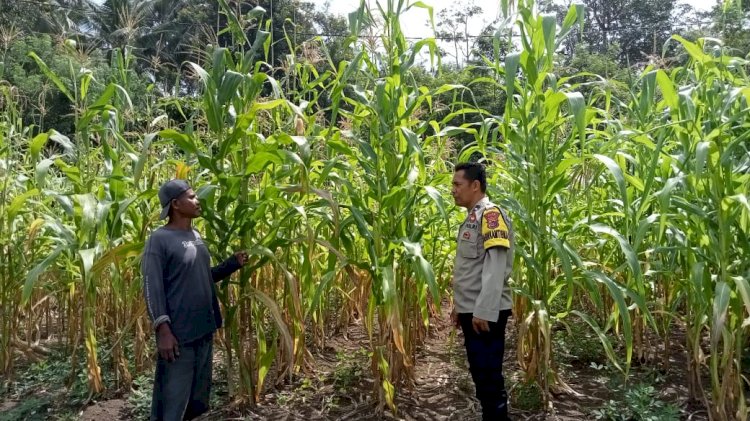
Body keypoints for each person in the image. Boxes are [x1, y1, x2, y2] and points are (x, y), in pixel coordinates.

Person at [141, 179, 248, 421]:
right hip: (180, 336)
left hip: (203, 330)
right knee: (172, 403)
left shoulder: (195, 235)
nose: (197, 200)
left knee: (197, 402)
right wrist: (162, 328)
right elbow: (151, 285)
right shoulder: (159, 239)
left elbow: (200, 277)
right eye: (191, 197)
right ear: (176, 204)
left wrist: (231, 265)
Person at [450, 162, 514, 421]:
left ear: (475, 185)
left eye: (457, 184)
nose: (453, 190)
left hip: (485, 314)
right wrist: (460, 307)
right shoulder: (473, 217)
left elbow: (495, 266)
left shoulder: (491, 215)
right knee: (480, 374)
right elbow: (472, 269)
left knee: (488, 376)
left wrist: (483, 311)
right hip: (473, 310)